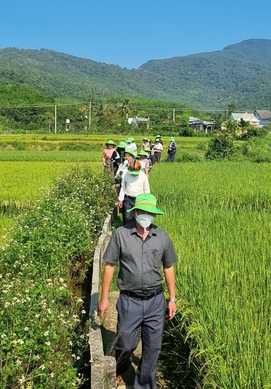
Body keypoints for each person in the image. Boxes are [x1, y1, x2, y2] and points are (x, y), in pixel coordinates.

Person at [99, 193, 177, 389]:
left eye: (149, 212)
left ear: (154, 215)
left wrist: (172, 298)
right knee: (126, 344)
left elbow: (169, 268)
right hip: (129, 300)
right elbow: (110, 265)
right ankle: (121, 367)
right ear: (135, 213)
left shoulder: (162, 237)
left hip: (155, 301)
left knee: (152, 349)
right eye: (142, 211)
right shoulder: (121, 235)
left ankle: (143, 385)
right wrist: (104, 298)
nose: (145, 215)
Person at [117, 150, 150, 225]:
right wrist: (120, 199)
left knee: (139, 218)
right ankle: (127, 232)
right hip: (128, 199)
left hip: (140, 199)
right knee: (127, 217)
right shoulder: (126, 174)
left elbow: (146, 189)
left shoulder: (143, 176)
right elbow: (123, 187)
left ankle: (136, 233)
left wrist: (147, 201)